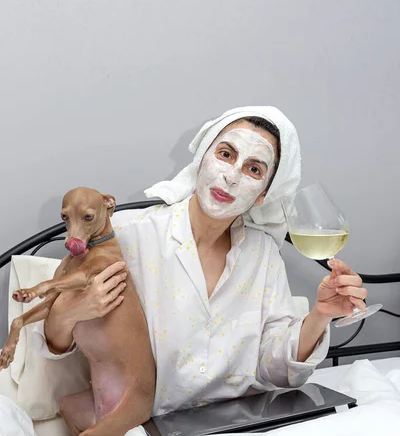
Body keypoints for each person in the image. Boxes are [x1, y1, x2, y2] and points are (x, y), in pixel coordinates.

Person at [34, 106, 367, 416]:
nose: (232, 177)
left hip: (239, 427)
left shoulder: (263, 254)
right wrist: (74, 311)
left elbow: (274, 369)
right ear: (202, 159)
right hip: (145, 429)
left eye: (253, 169)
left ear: (264, 193)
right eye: (225, 155)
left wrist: (320, 317)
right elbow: (52, 347)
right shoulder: (123, 235)